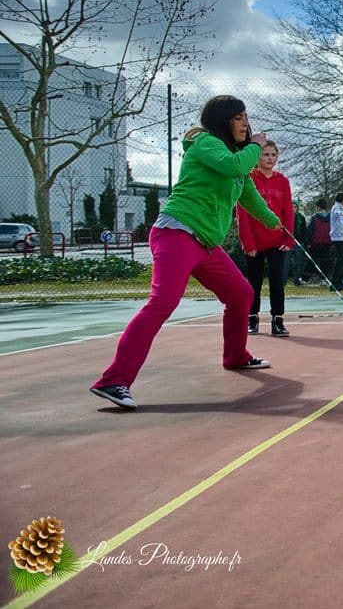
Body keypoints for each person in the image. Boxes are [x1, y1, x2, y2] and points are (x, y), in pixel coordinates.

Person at [90, 96, 278, 409]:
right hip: (176, 234)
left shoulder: (237, 161)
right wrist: (257, 146)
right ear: (222, 121)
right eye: (238, 118)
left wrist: (276, 223)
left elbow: (249, 197)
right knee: (162, 303)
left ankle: (236, 356)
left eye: (246, 117)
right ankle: (114, 380)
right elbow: (234, 165)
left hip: (205, 243)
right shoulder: (205, 144)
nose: (245, 124)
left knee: (241, 294)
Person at [236, 140, 294, 337]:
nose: (270, 158)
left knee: (277, 282)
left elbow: (288, 212)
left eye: (273, 155)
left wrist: (288, 238)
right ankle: (252, 318)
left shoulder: (282, 181)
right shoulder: (248, 178)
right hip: (255, 243)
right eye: (265, 154)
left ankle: (278, 320)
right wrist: (247, 242)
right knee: (254, 282)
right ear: (257, 157)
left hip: (277, 242)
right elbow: (242, 213)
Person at [329, 192, 343, 291]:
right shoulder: (336, 207)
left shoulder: (342, 208)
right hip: (337, 237)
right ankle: (336, 281)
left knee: (342, 259)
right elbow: (337, 213)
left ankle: (339, 280)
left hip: (341, 237)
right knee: (341, 259)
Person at [289, 200, 308, 287]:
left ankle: (297, 280)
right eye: (292, 206)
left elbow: (304, 230)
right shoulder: (286, 216)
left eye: (295, 207)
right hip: (288, 243)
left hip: (298, 243)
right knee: (286, 263)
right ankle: (282, 281)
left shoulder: (301, 217)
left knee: (298, 263)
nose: (293, 208)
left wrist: (302, 240)